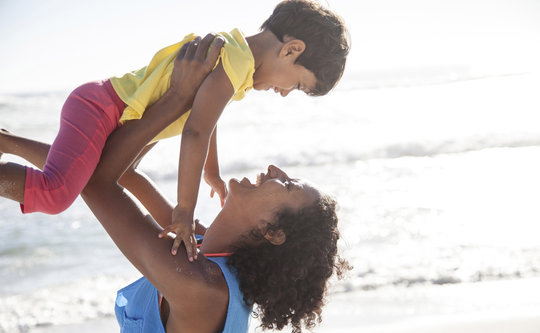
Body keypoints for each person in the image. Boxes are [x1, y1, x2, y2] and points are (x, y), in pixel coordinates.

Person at [1, 34, 348, 333]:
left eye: (287, 185)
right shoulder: (202, 247)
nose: (275, 169)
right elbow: (120, 175)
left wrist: (176, 100)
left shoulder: (202, 289)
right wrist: (9, 142)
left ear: (271, 230)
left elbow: (99, 183)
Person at [0, 0, 350, 262]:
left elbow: (207, 122)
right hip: (103, 110)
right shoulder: (236, 61)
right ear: (291, 50)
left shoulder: (239, 65)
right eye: (298, 85)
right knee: (56, 194)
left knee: (80, 173)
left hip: (111, 112)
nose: (286, 93)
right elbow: (194, 132)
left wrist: (211, 173)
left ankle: (4, 141)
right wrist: (185, 208)